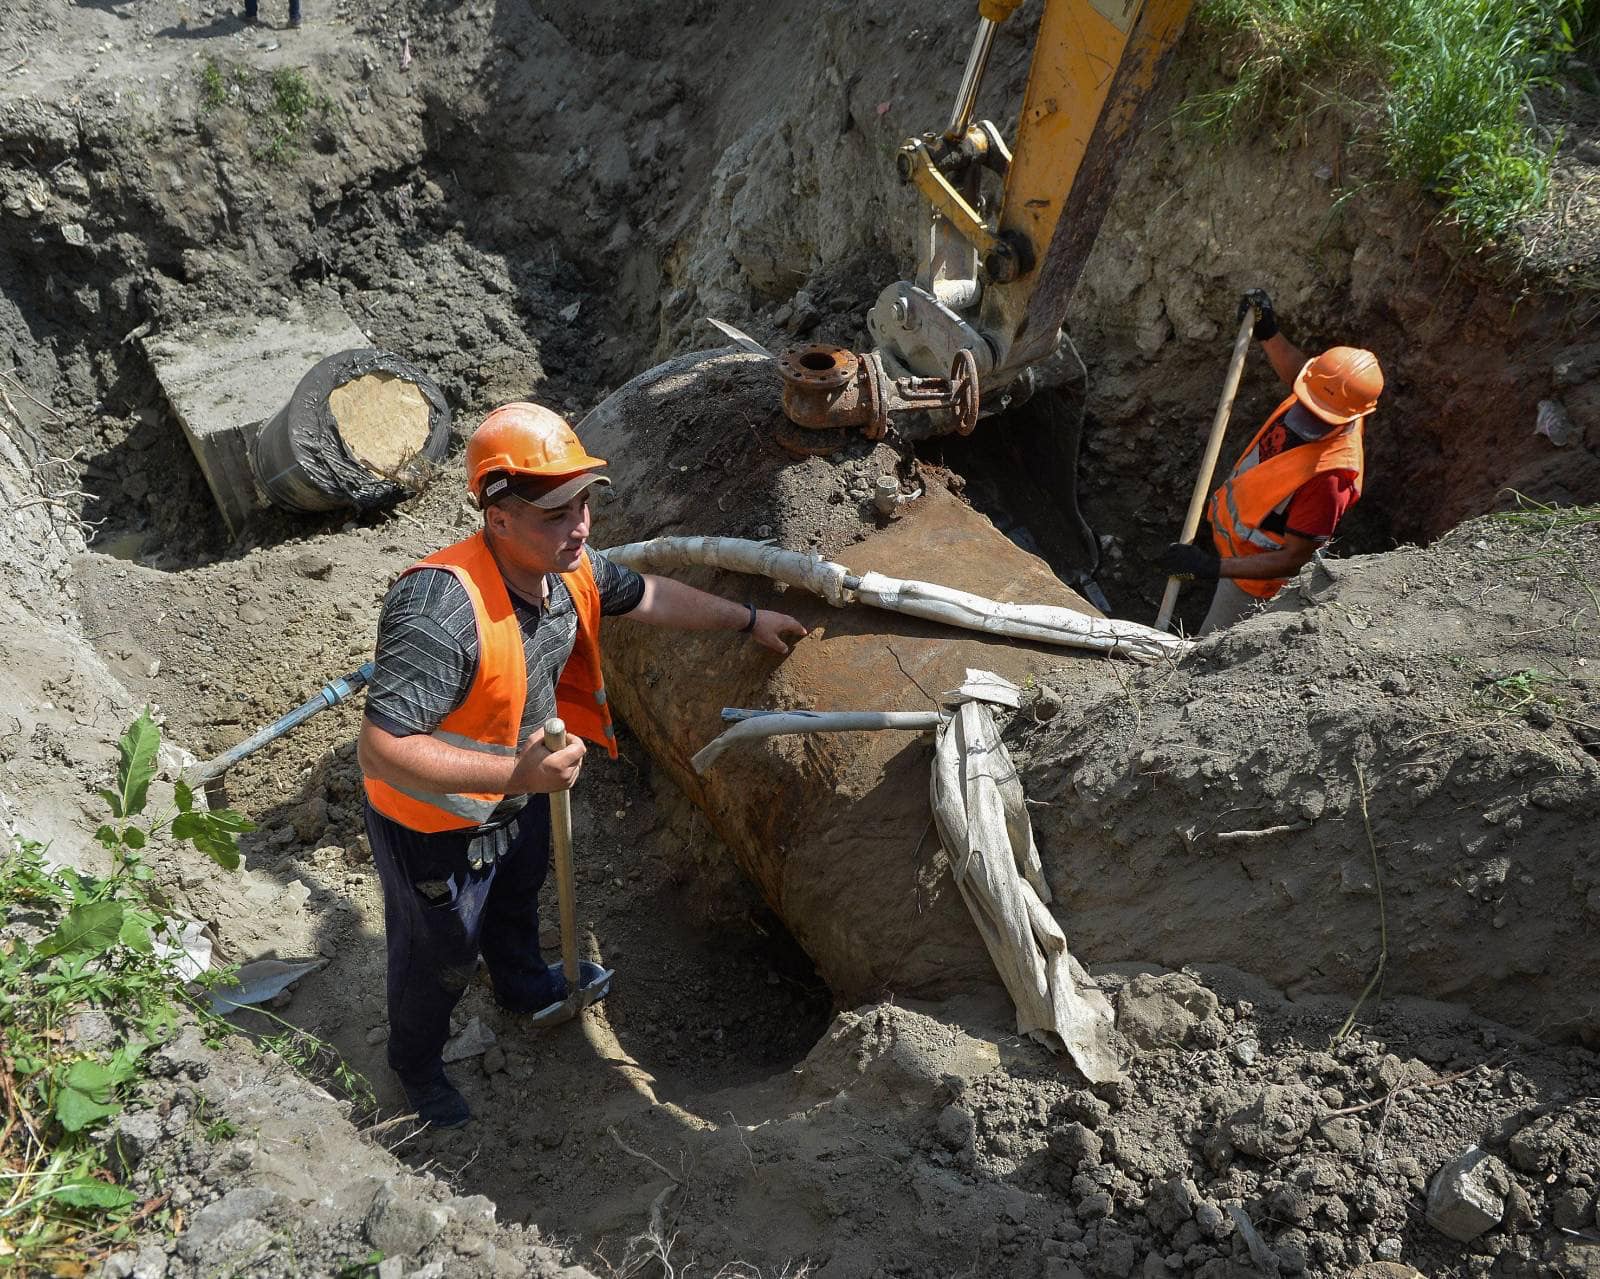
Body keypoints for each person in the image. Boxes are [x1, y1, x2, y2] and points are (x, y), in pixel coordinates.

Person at [357, 401, 807, 1127]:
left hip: (522, 787)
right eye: (557, 512)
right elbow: (382, 747)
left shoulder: (568, 567)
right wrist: (518, 776)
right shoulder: (439, 610)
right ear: (498, 517)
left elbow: (647, 594)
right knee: (437, 953)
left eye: (587, 503)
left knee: (517, 892)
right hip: (433, 822)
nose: (582, 526)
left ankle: (523, 984)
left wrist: (749, 621)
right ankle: (415, 1063)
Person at [1161, 289, 1383, 635]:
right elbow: (1299, 374)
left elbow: (1294, 559)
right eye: (1306, 402)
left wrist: (1211, 567)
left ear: (1348, 417)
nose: (1306, 414)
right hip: (1233, 537)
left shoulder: (1330, 479)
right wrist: (1269, 332)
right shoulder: (1330, 395)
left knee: (1205, 653)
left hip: (1253, 583)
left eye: (1320, 416)